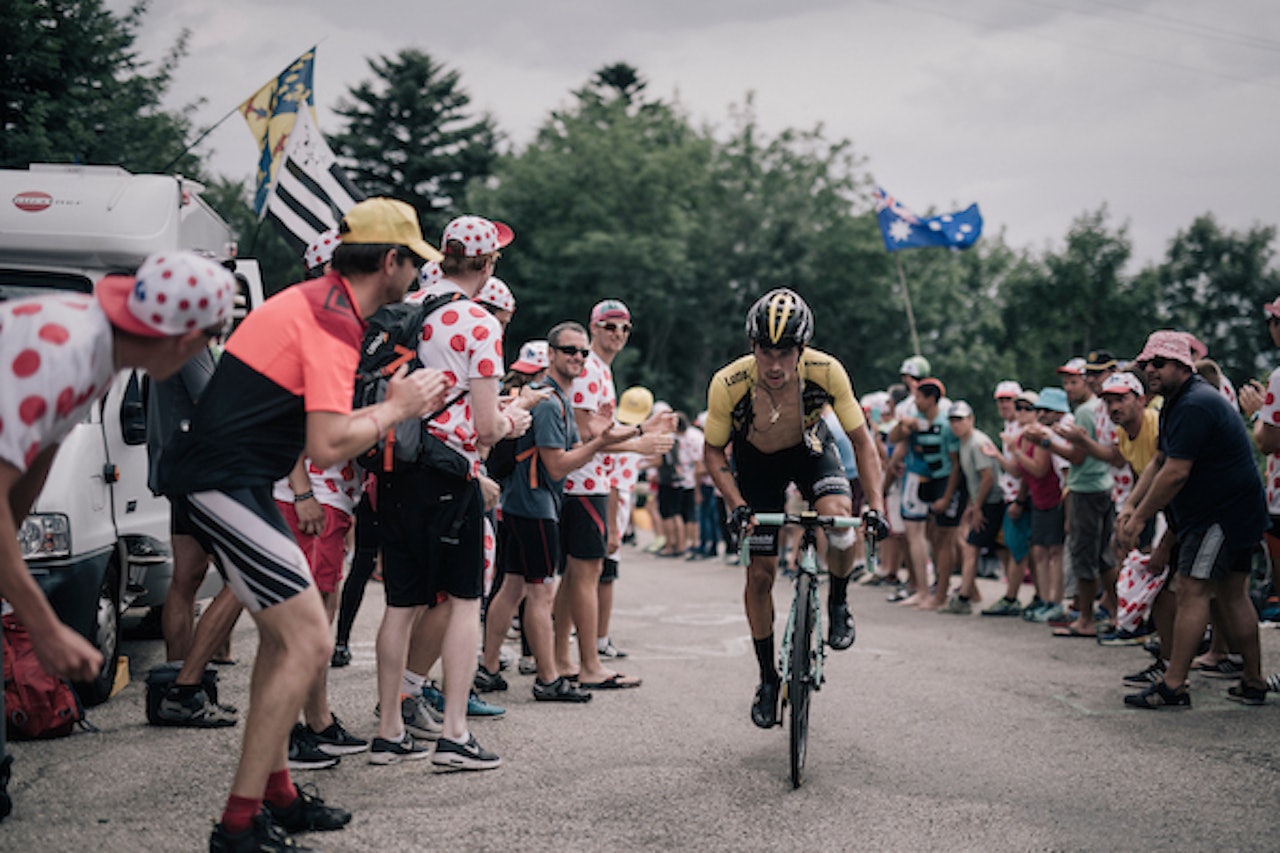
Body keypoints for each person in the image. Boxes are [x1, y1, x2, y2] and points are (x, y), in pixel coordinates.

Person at [157, 198, 450, 849]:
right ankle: (238, 824)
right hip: (224, 481)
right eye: (415, 262)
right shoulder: (331, 318)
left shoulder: (323, 303)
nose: (418, 275)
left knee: (284, 640)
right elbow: (326, 443)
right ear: (391, 261)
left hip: (234, 478)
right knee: (310, 642)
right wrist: (397, 407)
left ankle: (279, 795)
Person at [0, 251, 234, 815]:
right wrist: (45, 628)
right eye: (210, 339)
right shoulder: (67, 352)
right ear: (185, 339)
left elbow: (37, 463)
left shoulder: (98, 353)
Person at [371, 214, 531, 771]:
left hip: (395, 464)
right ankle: (455, 734)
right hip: (449, 472)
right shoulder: (478, 322)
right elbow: (486, 426)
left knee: (400, 604)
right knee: (464, 601)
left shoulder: (409, 307)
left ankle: (389, 732)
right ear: (487, 266)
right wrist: (513, 421)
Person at [703, 288, 887, 729]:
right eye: (766, 352)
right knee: (759, 575)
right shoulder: (728, 383)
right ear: (753, 346)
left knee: (840, 519)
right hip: (755, 464)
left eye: (785, 352)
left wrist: (876, 506)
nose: (774, 364)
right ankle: (768, 679)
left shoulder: (827, 371)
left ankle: (838, 599)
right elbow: (712, 452)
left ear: (801, 349)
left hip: (810, 450)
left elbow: (863, 443)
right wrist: (737, 504)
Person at [479, 321, 633, 702]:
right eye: (569, 351)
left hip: (522, 503)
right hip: (535, 506)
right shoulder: (548, 400)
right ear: (550, 354)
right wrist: (599, 444)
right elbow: (558, 465)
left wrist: (607, 437)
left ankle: (489, 667)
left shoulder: (553, 396)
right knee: (540, 594)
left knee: (512, 588)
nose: (578, 357)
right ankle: (548, 679)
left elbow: (569, 452)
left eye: (582, 352)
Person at [1119, 331, 1268, 709]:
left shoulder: (1194, 403)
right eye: (1146, 364)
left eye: (1159, 363)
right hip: (1230, 511)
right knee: (1232, 593)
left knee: (1191, 589)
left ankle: (1174, 685)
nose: (1150, 370)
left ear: (1182, 365)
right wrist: (1130, 505)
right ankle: (1253, 682)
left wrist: (1140, 518)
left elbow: (1175, 473)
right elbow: (1159, 460)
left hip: (1220, 514)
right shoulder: (1178, 402)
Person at [554, 299, 672, 689]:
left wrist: (639, 434)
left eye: (624, 327)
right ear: (594, 327)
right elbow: (587, 431)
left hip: (586, 481)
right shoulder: (590, 368)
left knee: (575, 577)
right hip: (585, 482)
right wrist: (639, 437)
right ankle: (589, 664)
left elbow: (597, 429)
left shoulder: (599, 369)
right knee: (587, 575)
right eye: (609, 326)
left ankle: (562, 659)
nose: (618, 333)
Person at [889, 377, 963, 610]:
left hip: (943, 480)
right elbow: (895, 438)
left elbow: (955, 462)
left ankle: (941, 591)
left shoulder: (946, 423)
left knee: (943, 537)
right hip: (922, 479)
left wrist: (947, 496)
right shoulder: (916, 419)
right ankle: (923, 589)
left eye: (919, 398)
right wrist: (903, 425)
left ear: (931, 399)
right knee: (920, 534)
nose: (916, 402)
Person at [942, 401, 1003, 614]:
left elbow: (988, 478)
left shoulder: (977, 442)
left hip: (992, 502)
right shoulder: (965, 442)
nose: (956, 424)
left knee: (971, 547)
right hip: (983, 502)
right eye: (953, 420)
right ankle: (970, 592)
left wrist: (977, 507)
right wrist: (972, 506)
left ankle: (964, 597)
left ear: (971, 420)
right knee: (998, 549)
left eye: (960, 419)